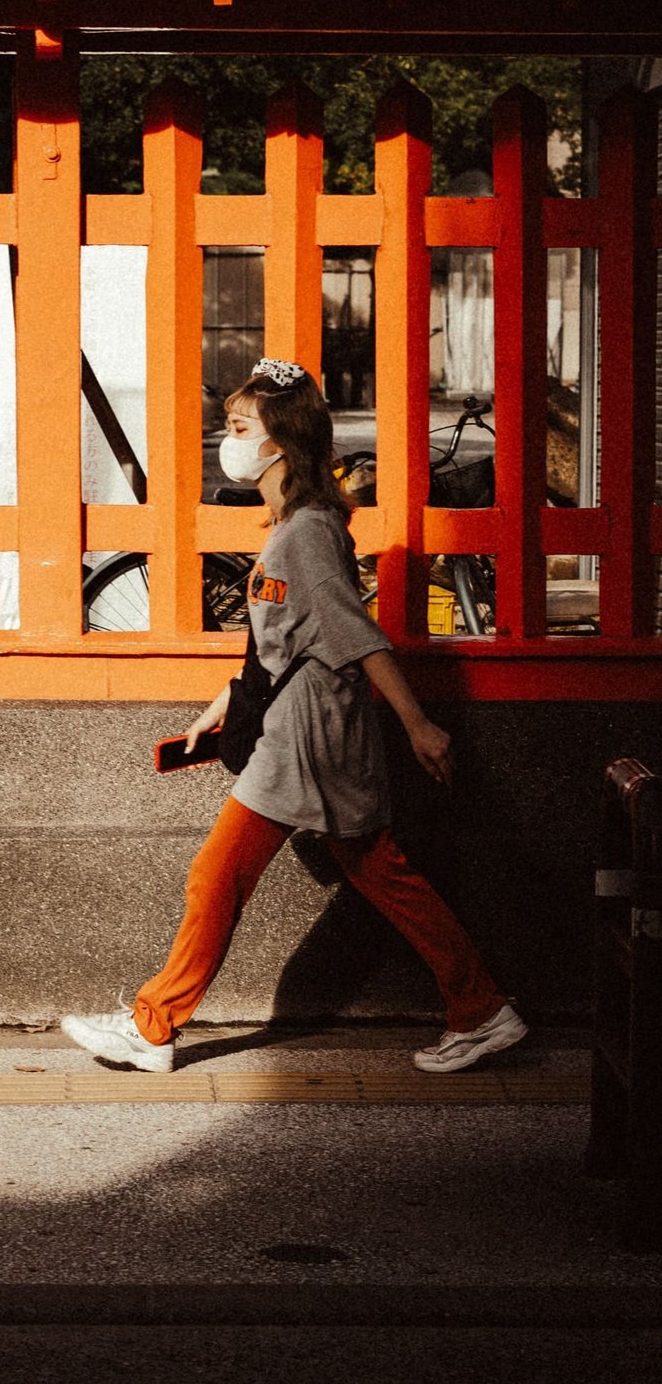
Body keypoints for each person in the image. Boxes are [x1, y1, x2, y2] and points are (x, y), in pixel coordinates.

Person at [61, 357, 527, 1076]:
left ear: (280, 442)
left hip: (310, 737)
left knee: (217, 874)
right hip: (309, 728)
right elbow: (281, 640)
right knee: (380, 873)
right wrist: (225, 704)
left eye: (239, 428)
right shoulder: (296, 526)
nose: (229, 441)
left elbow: (353, 634)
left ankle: (153, 1025)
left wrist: (418, 724)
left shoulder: (305, 532)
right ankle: (482, 1009)